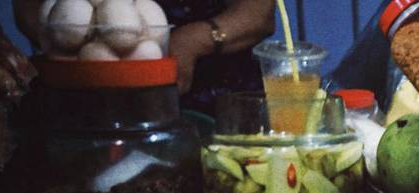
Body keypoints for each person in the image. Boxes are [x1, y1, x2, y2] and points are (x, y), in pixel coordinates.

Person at [15, 0, 275, 115]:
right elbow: (30, 10)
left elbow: (258, 12)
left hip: (212, 101)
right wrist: (73, 37)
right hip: (82, 97)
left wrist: (192, 42)